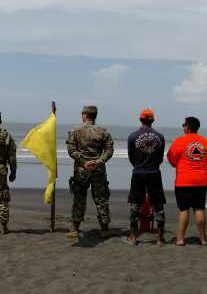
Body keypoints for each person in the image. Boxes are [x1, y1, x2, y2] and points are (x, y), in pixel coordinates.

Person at [66, 105, 114, 239]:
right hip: (98, 170)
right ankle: (104, 228)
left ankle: (75, 228)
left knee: (79, 198)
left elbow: (71, 151)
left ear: (85, 115)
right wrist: (98, 162)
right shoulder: (103, 131)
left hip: (82, 170)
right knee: (101, 199)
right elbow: (109, 151)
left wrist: (83, 162)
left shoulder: (75, 131)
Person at [167, 116, 207, 246]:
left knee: (184, 209)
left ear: (187, 127)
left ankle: (180, 239)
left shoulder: (179, 141)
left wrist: (180, 163)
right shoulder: (205, 142)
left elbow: (171, 159)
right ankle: (203, 239)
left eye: (184, 124)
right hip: (201, 180)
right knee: (199, 209)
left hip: (183, 180)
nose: (183, 127)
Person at [125, 109, 167, 245]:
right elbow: (160, 157)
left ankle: (133, 236)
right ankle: (160, 237)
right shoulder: (160, 137)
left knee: (135, 204)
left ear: (140, 119)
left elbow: (131, 157)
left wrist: (139, 165)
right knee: (158, 204)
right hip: (154, 172)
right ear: (152, 120)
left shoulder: (132, 136)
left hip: (138, 172)